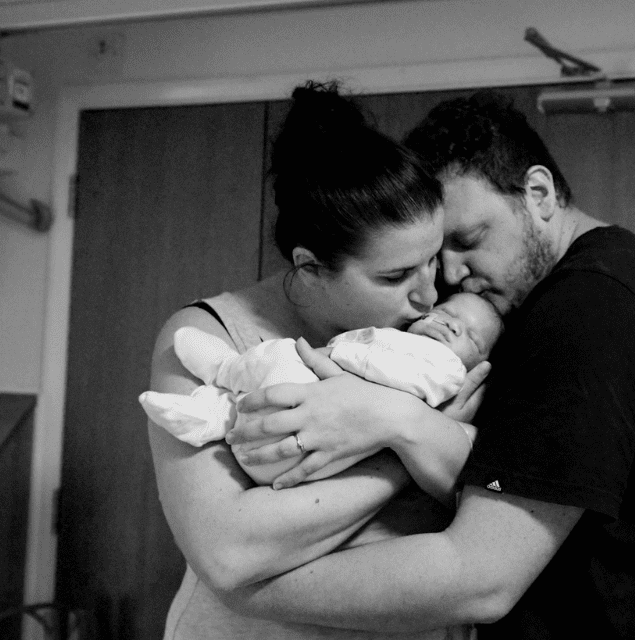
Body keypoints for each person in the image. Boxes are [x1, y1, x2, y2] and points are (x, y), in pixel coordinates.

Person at [221, 90, 635, 639]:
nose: (450, 274)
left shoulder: (590, 309)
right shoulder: (614, 283)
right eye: (437, 255)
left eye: (468, 239)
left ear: (538, 193)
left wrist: (249, 593)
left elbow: (480, 577)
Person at [146, 80, 486, 640]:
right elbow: (227, 552)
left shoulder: (444, 334)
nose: (430, 293)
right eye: (395, 276)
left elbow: (482, 497)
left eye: (432, 259)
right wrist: (405, 440)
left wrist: (398, 424)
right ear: (309, 266)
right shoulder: (209, 337)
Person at [141, 292, 502, 487]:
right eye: (448, 311)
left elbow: (398, 375)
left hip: (294, 451)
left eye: (472, 337)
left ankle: (224, 378)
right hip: (277, 439)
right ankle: (216, 409)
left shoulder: (446, 368)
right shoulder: (399, 335)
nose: (453, 325)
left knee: (285, 357)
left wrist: (339, 354)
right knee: (281, 362)